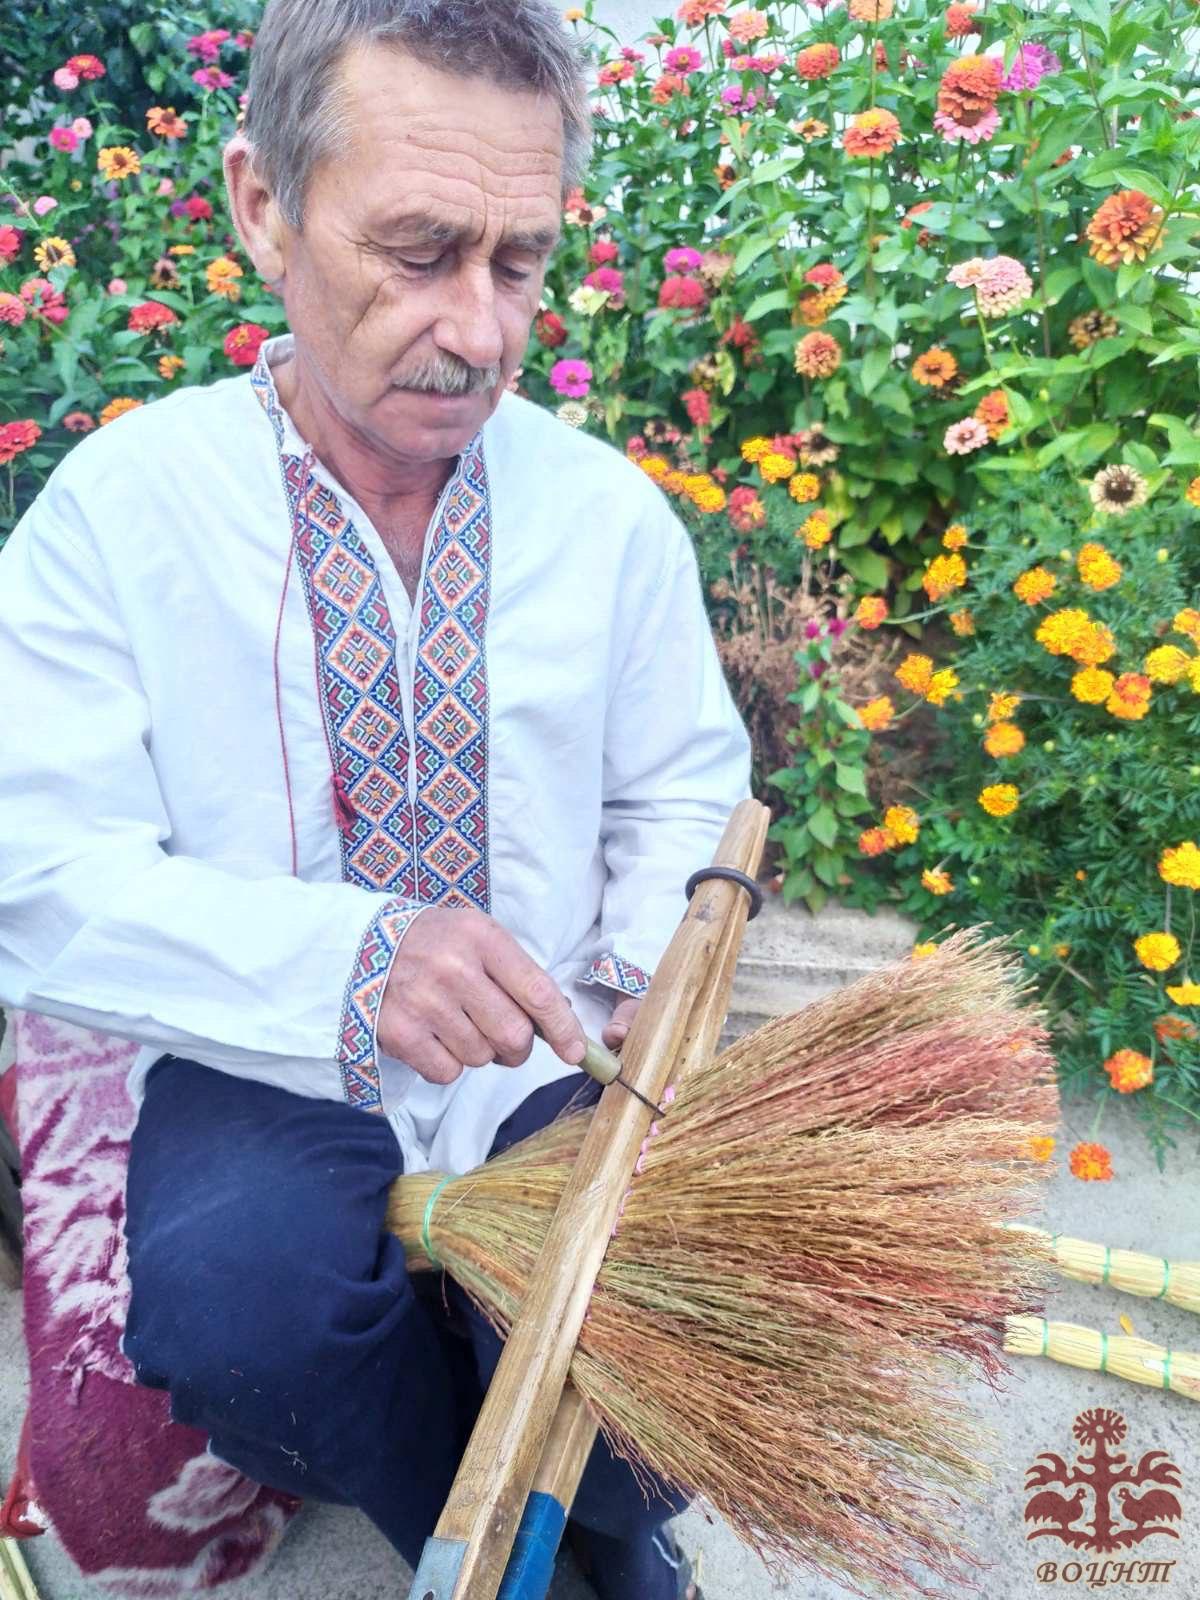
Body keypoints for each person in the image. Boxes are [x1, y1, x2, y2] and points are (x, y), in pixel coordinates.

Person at [0, 2, 752, 1595]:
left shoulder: (607, 522)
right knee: (238, 1322)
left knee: (652, 1333)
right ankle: (504, 1544)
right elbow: (41, 867)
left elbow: (686, 792)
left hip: (562, 1038)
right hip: (258, 1036)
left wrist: (625, 1005)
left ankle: (584, 1511)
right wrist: (350, 966)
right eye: (418, 252)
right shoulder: (120, 514)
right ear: (263, 204)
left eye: (520, 262)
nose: (479, 330)